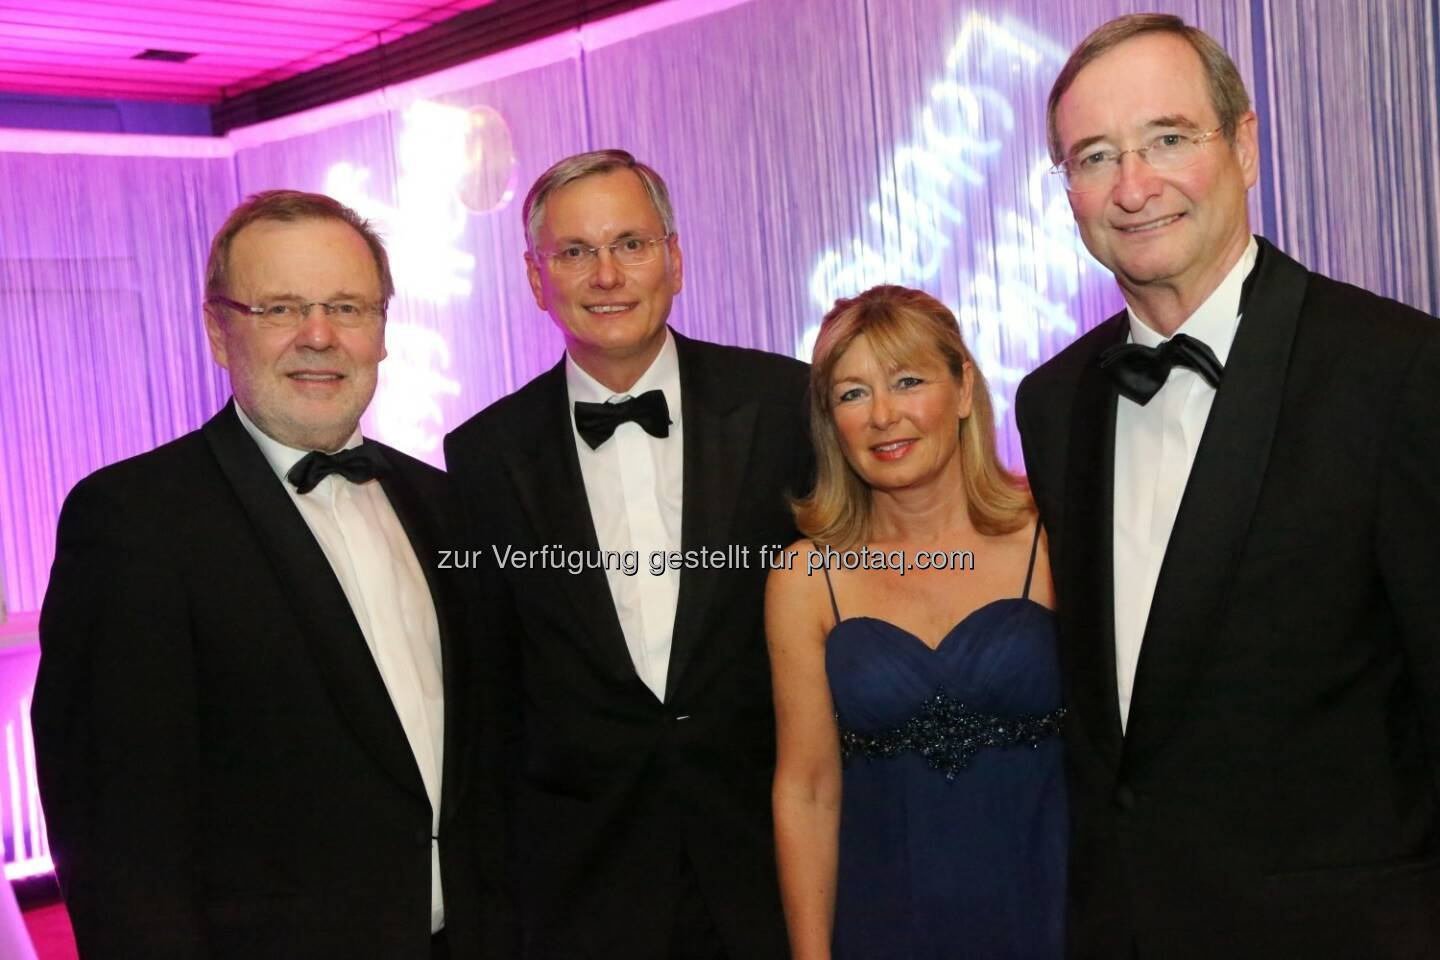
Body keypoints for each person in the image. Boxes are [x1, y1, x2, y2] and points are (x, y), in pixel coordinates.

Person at [1015, 13, 1440, 958]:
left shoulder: (1396, 371)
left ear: (1244, 146)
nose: (1133, 187)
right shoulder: (1051, 402)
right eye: (1093, 157)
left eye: (1168, 138)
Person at [32, 190, 508, 959]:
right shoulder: (133, 521)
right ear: (220, 331)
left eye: (348, 308)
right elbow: (116, 843)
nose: (319, 337)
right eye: (280, 309)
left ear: (383, 330)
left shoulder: (443, 504)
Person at [444, 150, 809, 959]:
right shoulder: (483, 456)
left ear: (675, 259)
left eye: (631, 244)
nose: (606, 274)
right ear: (537, 279)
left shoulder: (787, 405)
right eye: (574, 252)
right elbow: (491, 700)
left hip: (770, 864)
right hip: (582, 888)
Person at [768, 285, 1064, 960]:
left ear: (962, 390)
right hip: (883, 925)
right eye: (851, 394)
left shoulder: (1054, 539)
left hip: (1050, 913)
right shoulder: (805, 578)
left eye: (907, 381)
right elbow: (806, 791)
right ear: (829, 422)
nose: (882, 416)